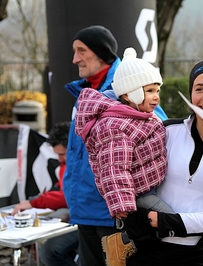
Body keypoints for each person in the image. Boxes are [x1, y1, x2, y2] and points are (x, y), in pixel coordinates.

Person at [125, 58, 203, 266]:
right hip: (142, 250)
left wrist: (159, 221)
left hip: (193, 257)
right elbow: (128, 174)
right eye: (199, 88)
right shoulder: (164, 131)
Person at [62, 25, 168, 266]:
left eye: (81, 51)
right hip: (86, 209)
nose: (75, 58)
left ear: (101, 53)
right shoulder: (85, 95)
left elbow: (155, 129)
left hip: (117, 211)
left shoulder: (132, 86)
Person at [11, 121, 79, 266]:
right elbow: (60, 190)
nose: (60, 159)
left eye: (62, 154)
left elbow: (67, 196)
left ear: (72, 147)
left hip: (87, 222)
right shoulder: (64, 165)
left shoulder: (81, 163)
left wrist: (33, 202)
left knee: (49, 251)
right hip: (78, 220)